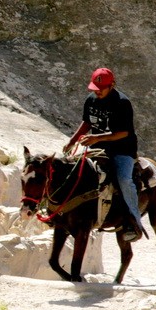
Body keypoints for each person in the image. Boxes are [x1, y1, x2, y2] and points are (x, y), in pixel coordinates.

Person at [63, 67, 144, 242]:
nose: (97, 92)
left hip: (122, 150)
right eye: (94, 89)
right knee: (77, 171)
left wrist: (95, 138)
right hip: (97, 147)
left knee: (123, 179)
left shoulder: (122, 102)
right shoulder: (91, 100)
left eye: (101, 89)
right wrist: (72, 141)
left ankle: (134, 221)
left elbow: (124, 132)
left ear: (112, 85)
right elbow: (86, 122)